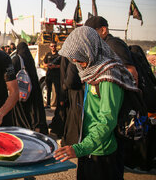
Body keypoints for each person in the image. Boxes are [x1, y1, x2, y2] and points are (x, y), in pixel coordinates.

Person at [54, 26, 139, 180]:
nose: (75, 61)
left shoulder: (108, 76)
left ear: (90, 49)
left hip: (103, 153)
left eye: (79, 56)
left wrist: (80, 148)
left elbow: (107, 120)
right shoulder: (93, 70)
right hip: (89, 148)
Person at [84, 16, 138, 86]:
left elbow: (130, 70)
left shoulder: (113, 44)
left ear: (103, 30)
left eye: (90, 32)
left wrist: (130, 91)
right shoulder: (102, 46)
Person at [11, 42, 48, 134]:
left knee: (21, 112)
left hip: (20, 91)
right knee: (31, 111)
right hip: (31, 90)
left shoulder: (16, 59)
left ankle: (23, 129)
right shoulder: (29, 59)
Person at [43, 41, 61, 108]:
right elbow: (44, 64)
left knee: (57, 90)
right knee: (48, 89)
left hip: (56, 74)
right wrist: (48, 65)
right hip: (49, 74)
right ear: (49, 47)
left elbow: (61, 65)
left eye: (54, 46)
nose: (53, 47)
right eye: (52, 46)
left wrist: (55, 66)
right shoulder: (48, 54)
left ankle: (59, 104)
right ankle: (48, 104)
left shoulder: (59, 55)